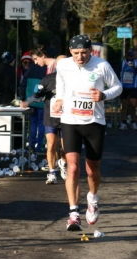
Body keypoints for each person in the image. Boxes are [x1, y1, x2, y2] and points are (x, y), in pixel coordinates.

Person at [55, 35, 122, 231]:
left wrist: (103, 95)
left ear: (90, 50)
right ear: (70, 51)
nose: (80, 57)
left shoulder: (102, 65)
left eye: (84, 52)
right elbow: (61, 85)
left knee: (92, 170)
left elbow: (118, 87)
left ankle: (92, 198)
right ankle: (74, 213)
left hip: (94, 122)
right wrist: (59, 99)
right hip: (70, 121)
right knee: (73, 168)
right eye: (76, 53)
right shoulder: (64, 65)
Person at [21, 55, 68, 184]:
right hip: (51, 116)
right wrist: (28, 100)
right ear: (57, 66)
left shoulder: (73, 80)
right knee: (52, 144)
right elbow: (37, 94)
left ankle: (63, 163)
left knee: (66, 147)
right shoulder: (48, 79)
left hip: (67, 117)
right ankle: (52, 173)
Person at [19, 51, 47, 154]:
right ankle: (41, 146)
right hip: (42, 102)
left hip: (29, 101)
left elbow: (23, 85)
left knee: (32, 124)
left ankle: (31, 145)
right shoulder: (46, 69)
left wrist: (23, 98)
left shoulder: (30, 69)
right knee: (42, 124)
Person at [119, 49, 137, 130]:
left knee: (133, 105)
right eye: (128, 56)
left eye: (131, 56)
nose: (130, 58)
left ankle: (133, 122)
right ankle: (123, 122)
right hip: (124, 87)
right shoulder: (122, 63)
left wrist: (134, 66)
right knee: (124, 105)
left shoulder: (136, 62)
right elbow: (116, 73)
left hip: (133, 87)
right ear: (126, 55)